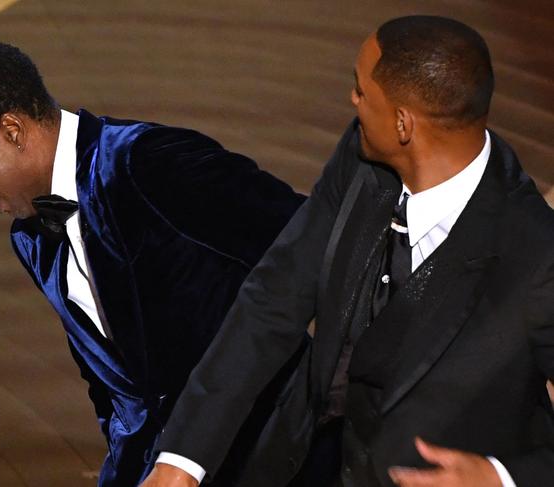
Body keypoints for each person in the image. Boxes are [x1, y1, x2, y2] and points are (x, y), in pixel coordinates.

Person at [142, 15, 554, 487]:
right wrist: (182, 460)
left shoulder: (538, 255)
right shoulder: (362, 159)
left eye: (361, 91)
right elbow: (272, 300)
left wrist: (502, 479)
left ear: (403, 123)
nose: (352, 101)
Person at [0, 38, 306, 486]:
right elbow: (112, 387)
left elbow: (310, 242)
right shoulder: (31, 239)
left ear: (11, 130)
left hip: (274, 456)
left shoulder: (150, 162)